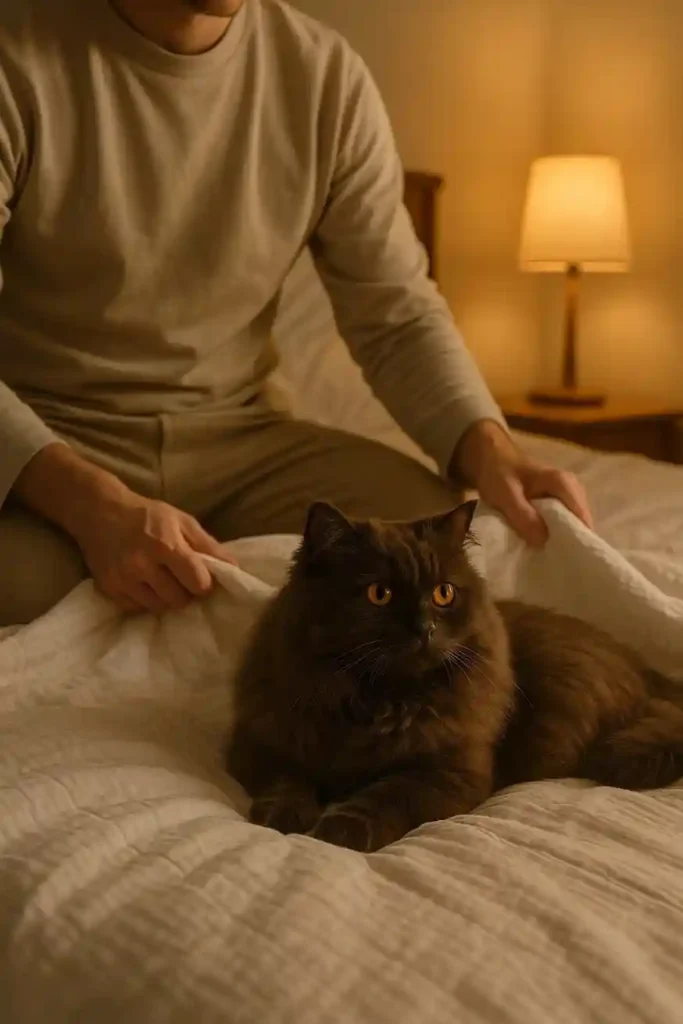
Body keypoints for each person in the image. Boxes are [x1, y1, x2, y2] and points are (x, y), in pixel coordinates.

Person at [0, 0, 591, 625]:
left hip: (241, 441)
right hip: (52, 441)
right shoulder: (19, 55)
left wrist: (493, 451)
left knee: (436, 554)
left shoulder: (323, 78)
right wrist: (93, 506)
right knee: (22, 600)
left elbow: (397, 315)